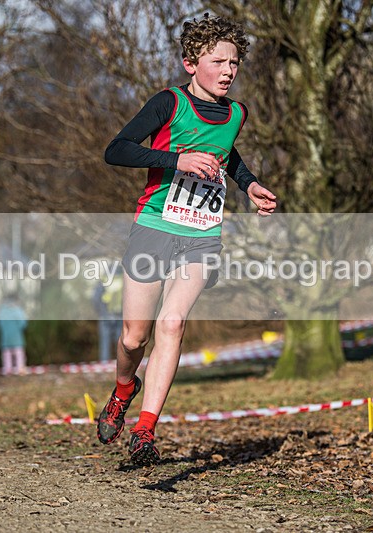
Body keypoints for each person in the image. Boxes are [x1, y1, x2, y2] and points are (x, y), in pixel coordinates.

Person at [97, 14, 277, 466]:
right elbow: (116, 150)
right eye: (218, 61)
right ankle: (123, 390)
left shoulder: (237, 112)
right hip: (154, 225)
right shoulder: (168, 103)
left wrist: (249, 184)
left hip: (202, 234)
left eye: (234, 62)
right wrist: (177, 160)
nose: (229, 70)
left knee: (172, 324)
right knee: (134, 338)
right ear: (191, 64)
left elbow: (226, 154)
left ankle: (145, 431)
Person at [93, 267, 124, 362]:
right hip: (119, 315)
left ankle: (104, 364)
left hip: (105, 315)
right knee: (121, 343)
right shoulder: (123, 281)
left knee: (105, 342)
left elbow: (95, 299)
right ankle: (121, 363)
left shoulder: (103, 281)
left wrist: (101, 312)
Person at [0, 295, 28, 375]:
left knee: (6, 353)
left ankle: (7, 369)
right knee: (18, 352)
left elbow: (0, 324)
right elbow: (23, 323)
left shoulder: (2, 311)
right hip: (16, 335)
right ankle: (20, 369)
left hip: (5, 336)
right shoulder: (18, 310)